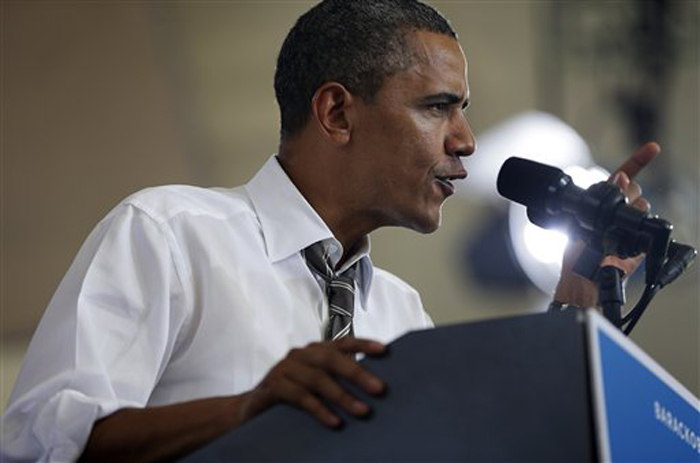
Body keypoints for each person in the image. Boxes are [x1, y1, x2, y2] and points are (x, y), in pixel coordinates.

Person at [1, 1, 658, 461]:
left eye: (463, 112)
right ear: (338, 112)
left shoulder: (404, 317)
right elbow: (39, 442)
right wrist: (246, 412)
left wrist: (579, 287)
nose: (465, 141)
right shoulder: (170, 234)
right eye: (438, 107)